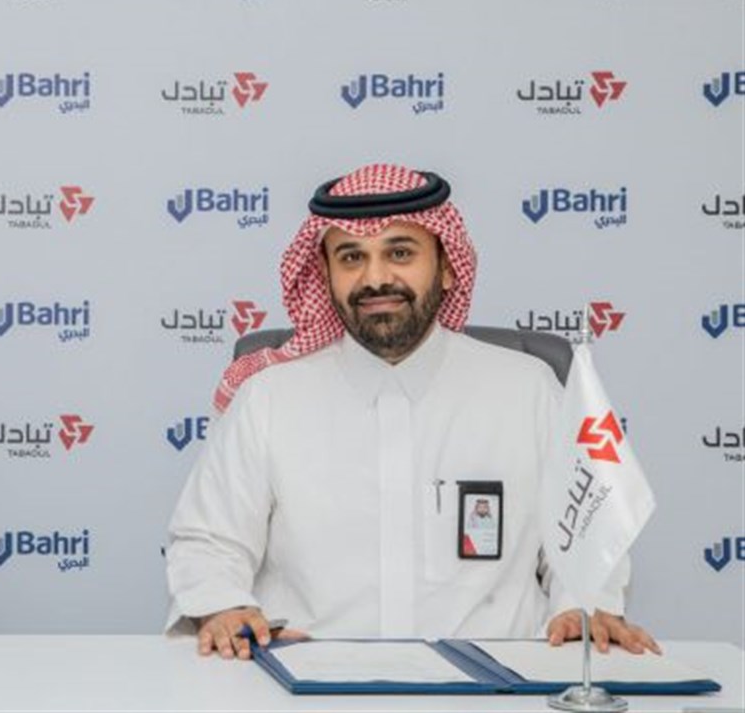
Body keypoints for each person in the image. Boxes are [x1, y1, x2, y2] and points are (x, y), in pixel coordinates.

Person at [164, 163, 659, 660]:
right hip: (309, 680)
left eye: (400, 253)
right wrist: (222, 606)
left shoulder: (530, 390)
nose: (376, 278)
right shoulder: (268, 398)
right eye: (351, 257)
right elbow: (209, 541)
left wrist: (583, 608)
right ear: (325, 273)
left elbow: (588, 535)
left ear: (446, 267)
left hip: (499, 682)